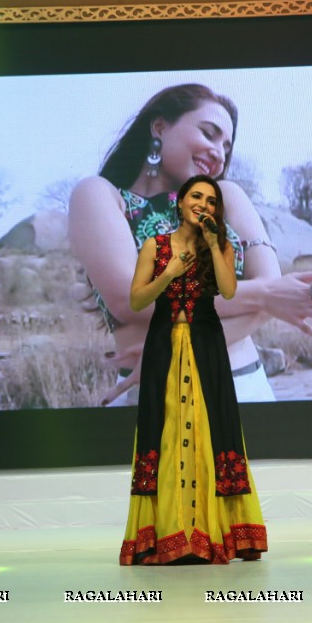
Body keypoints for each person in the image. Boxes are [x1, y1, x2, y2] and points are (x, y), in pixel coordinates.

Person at [69, 84, 312, 407]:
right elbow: (131, 299)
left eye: (226, 146)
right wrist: (262, 295)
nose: (219, 154)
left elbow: (277, 296)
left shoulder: (228, 197)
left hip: (245, 389)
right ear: (159, 127)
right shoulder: (99, 195)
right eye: (209, 134)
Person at [119, 174, 265, 564]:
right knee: (162, 429)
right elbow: (135, 301)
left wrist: (216, 243)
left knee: (212, 429)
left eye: (212, 201)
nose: (204, 204)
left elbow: (229, 290)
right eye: (196, 197)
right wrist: (167, 274)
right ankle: (168, 533)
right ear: (180, 202)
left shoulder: (221, 246)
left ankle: (213, 532)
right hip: (164, 344)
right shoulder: (155, 245)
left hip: (205, 345)